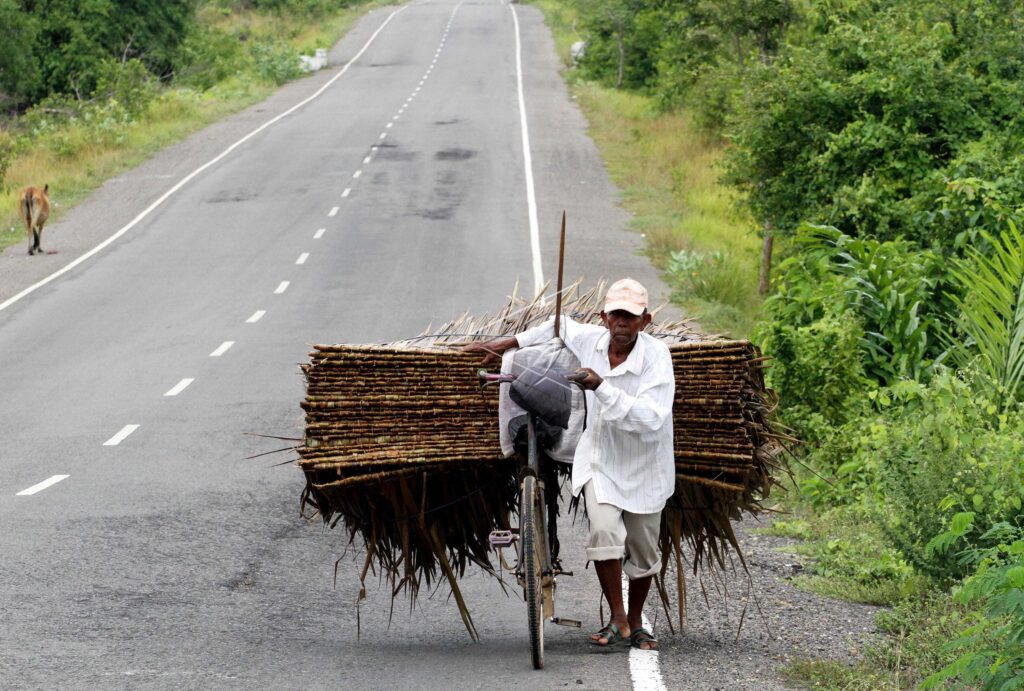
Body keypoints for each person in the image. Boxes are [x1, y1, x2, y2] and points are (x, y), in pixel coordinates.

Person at [463, 278, 675, 651]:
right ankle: (617, 618)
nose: (622, 322)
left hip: (646, 464)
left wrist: (600, 387)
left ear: (645, 320)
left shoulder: (657, 358)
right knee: (605, 533)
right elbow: (559, 324)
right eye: (616, 315)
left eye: (631, 316)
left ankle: (637, 620)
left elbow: (650, 419)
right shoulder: (591, 339)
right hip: (600, 458)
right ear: (604, 317)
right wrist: (509, 342)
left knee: (643, 551)